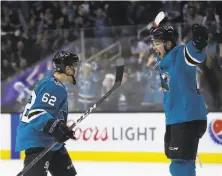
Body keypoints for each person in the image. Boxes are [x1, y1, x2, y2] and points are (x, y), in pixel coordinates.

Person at [151, 24, 209, 176]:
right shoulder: (163, 63)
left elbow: (192, 56)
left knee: (181, 165)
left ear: (168, 44)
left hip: (187, 118)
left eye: (157, 43)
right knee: (176, 162)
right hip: (176, 119)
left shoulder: (179, 55)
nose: (154, 47)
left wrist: (197, 44)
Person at [16, 51, 80, 176]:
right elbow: (36, 113)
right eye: (74, 66)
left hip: (52, 142)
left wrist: (62, 128)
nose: (76, 70)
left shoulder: (53, 84)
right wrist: (55, 128)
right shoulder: (53, 86)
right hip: (38, 141)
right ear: (67, 69)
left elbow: (50, 114)